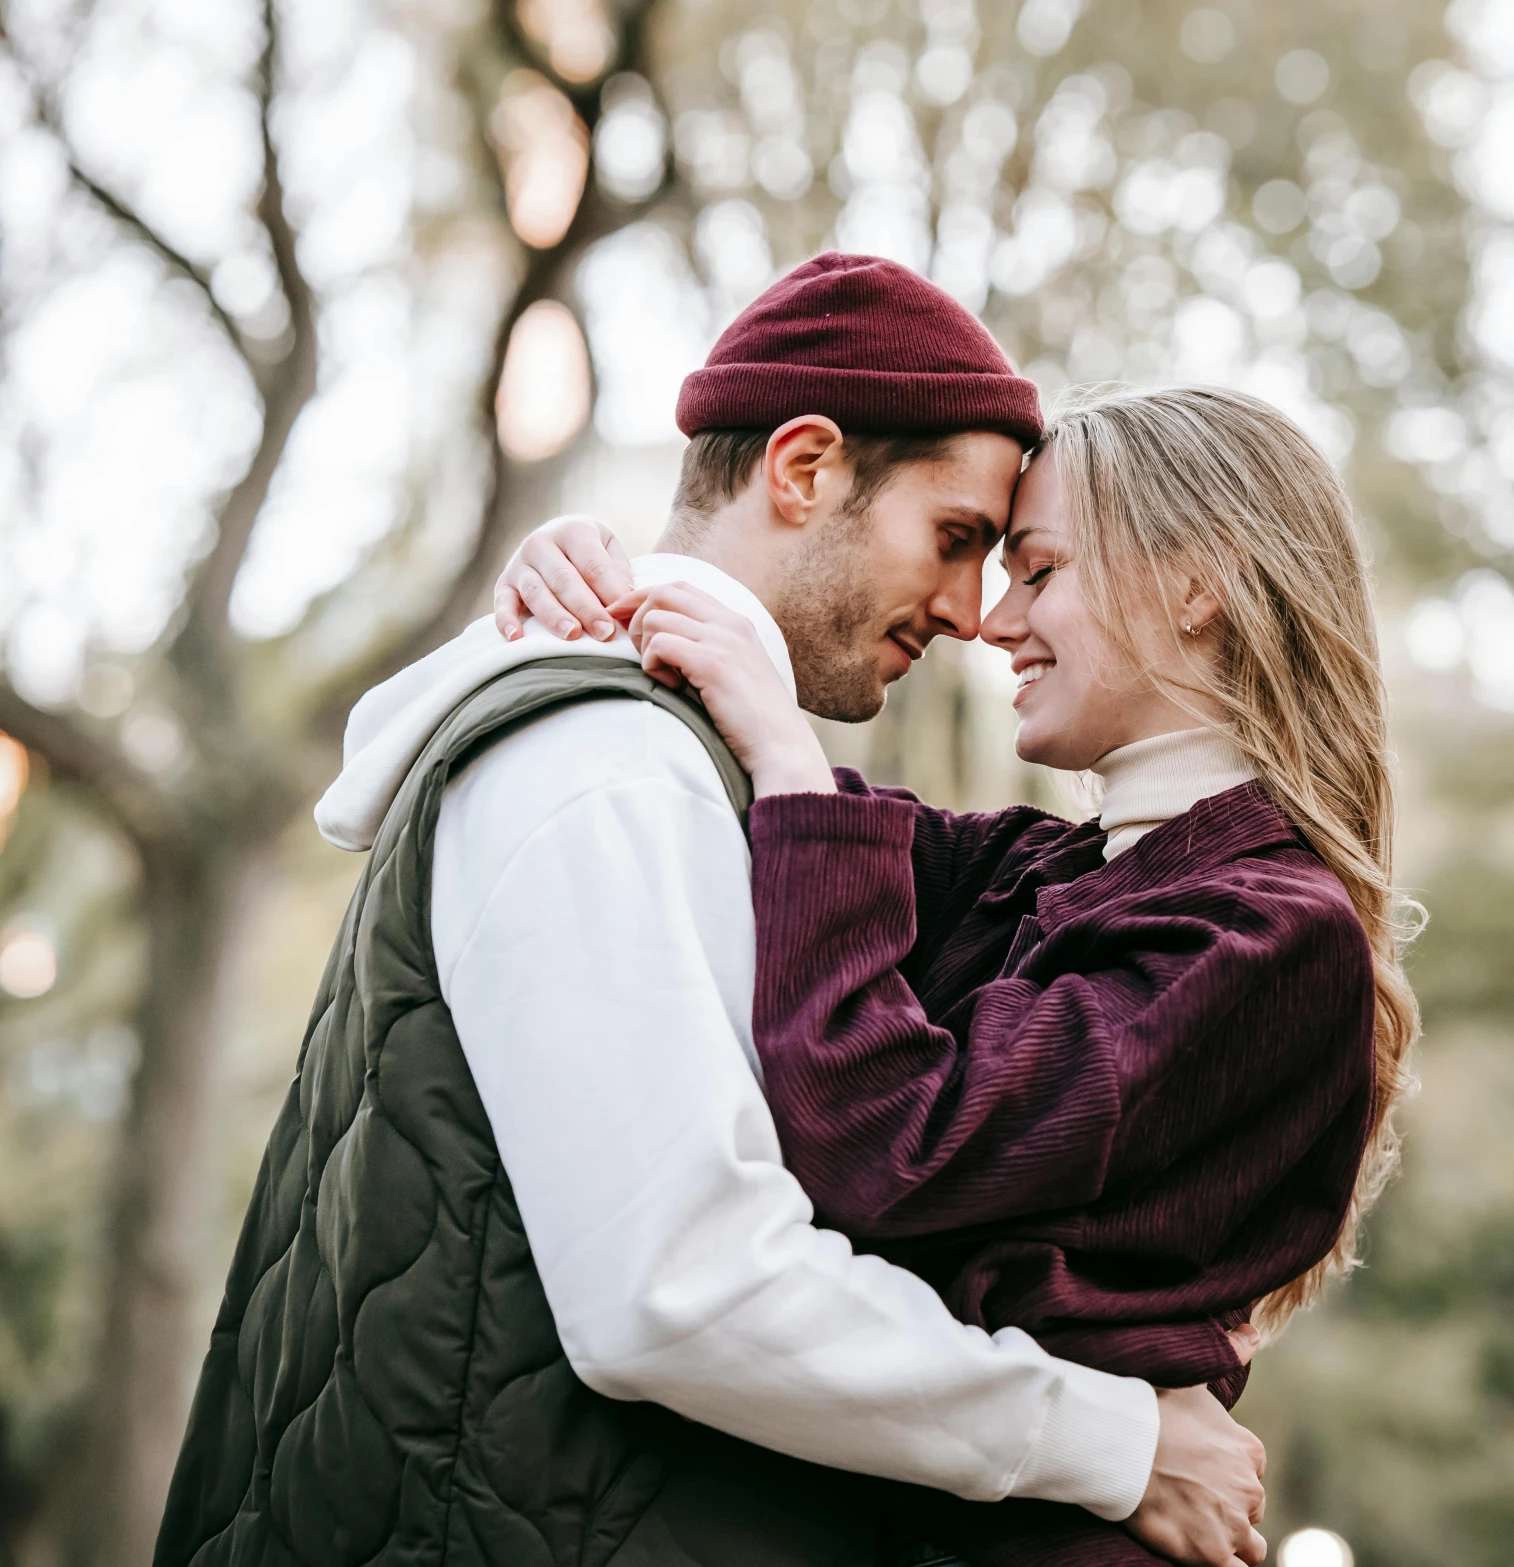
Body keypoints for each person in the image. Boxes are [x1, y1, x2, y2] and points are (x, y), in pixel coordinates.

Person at [153, 256, 1268, 1567]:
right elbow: (676, 1284)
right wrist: (1114, 1442)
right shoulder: (605, 764)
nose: (975, 612)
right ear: (804, 469)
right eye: (957, 537)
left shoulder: (684, 765)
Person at [496, 383, 1422, 1565]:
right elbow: (791, 835)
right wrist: (602, 582)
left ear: (1199, 584)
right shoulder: (1041, 867)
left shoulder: (1270, 936)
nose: (994, 622)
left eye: (1038, 570)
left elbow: (893, 1147)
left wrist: (788, 748)